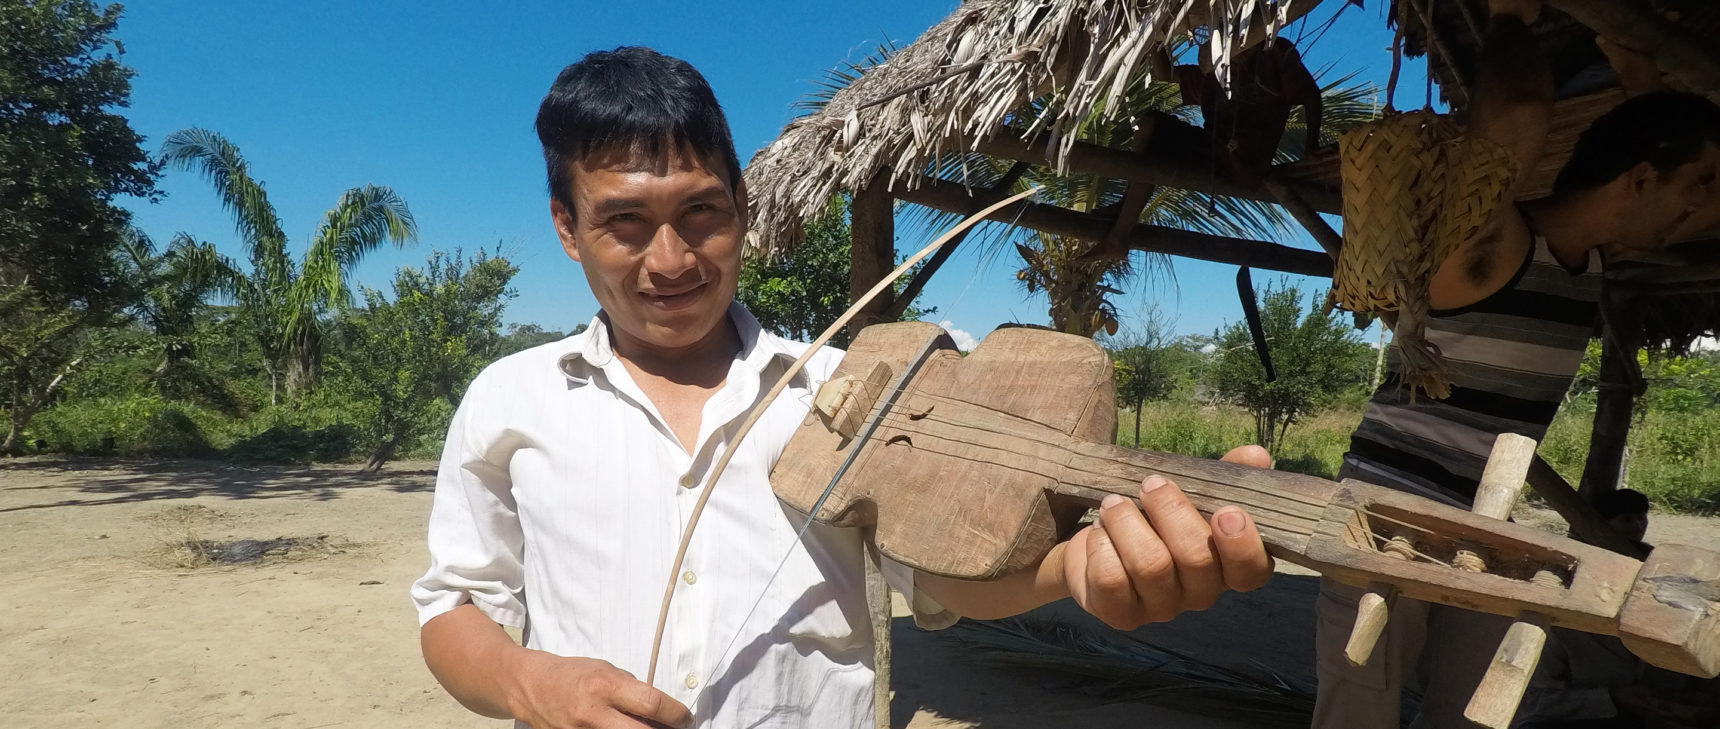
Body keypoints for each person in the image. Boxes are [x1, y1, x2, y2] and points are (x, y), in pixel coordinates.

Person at [411, 46, 1275, 729]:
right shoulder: (510, 397)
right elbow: (453, 608)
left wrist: (1075, 569)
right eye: (625, 224)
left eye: (701, 212)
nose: (670, 260)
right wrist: (528, 683)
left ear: (743, 204)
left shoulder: (846, 386)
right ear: (568, 228)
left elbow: (947, 574)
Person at [1313, 1, 1720, 727]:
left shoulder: (1589, 264)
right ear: (1638, 179)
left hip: (1486, 530)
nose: (1707, 208)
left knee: (1473, 717)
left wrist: (1642, 85)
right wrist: (1506, 19)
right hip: (1384, 517)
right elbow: (1522, 112)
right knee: (1358, 716)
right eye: (1704, 185)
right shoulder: (1491, 249)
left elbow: (1654, 169)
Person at [1514, 489, 1720, 729]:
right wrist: (1611, 697)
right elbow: (1533, 704)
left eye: (1641, 518)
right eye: (1626, 519)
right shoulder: (1563, 626)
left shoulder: (1681, 616)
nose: (1636, 525)